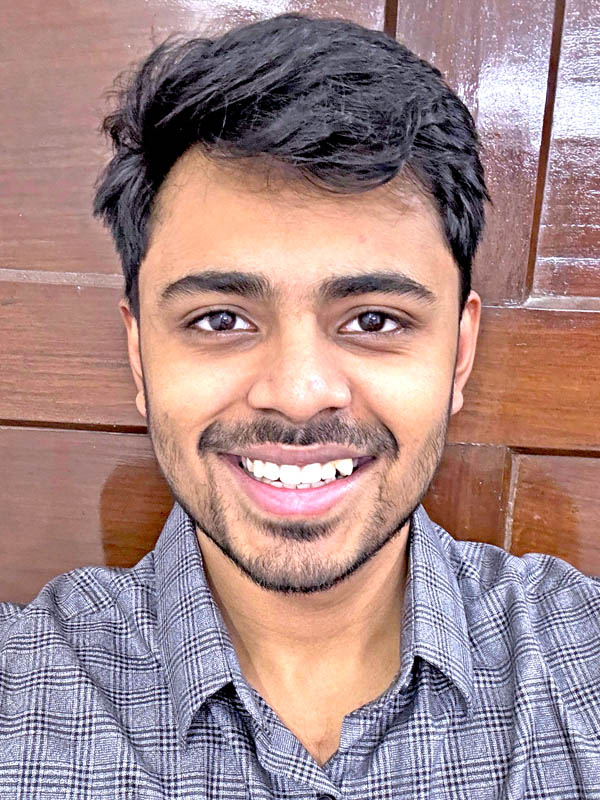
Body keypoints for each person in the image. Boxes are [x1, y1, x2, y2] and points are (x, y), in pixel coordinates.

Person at [1, 12, 599, 799]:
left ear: (459, 353)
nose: (297, 393)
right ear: (139, 354)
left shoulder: (580, 663)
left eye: (374, 321)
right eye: (221, 320)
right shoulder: (22, 694)